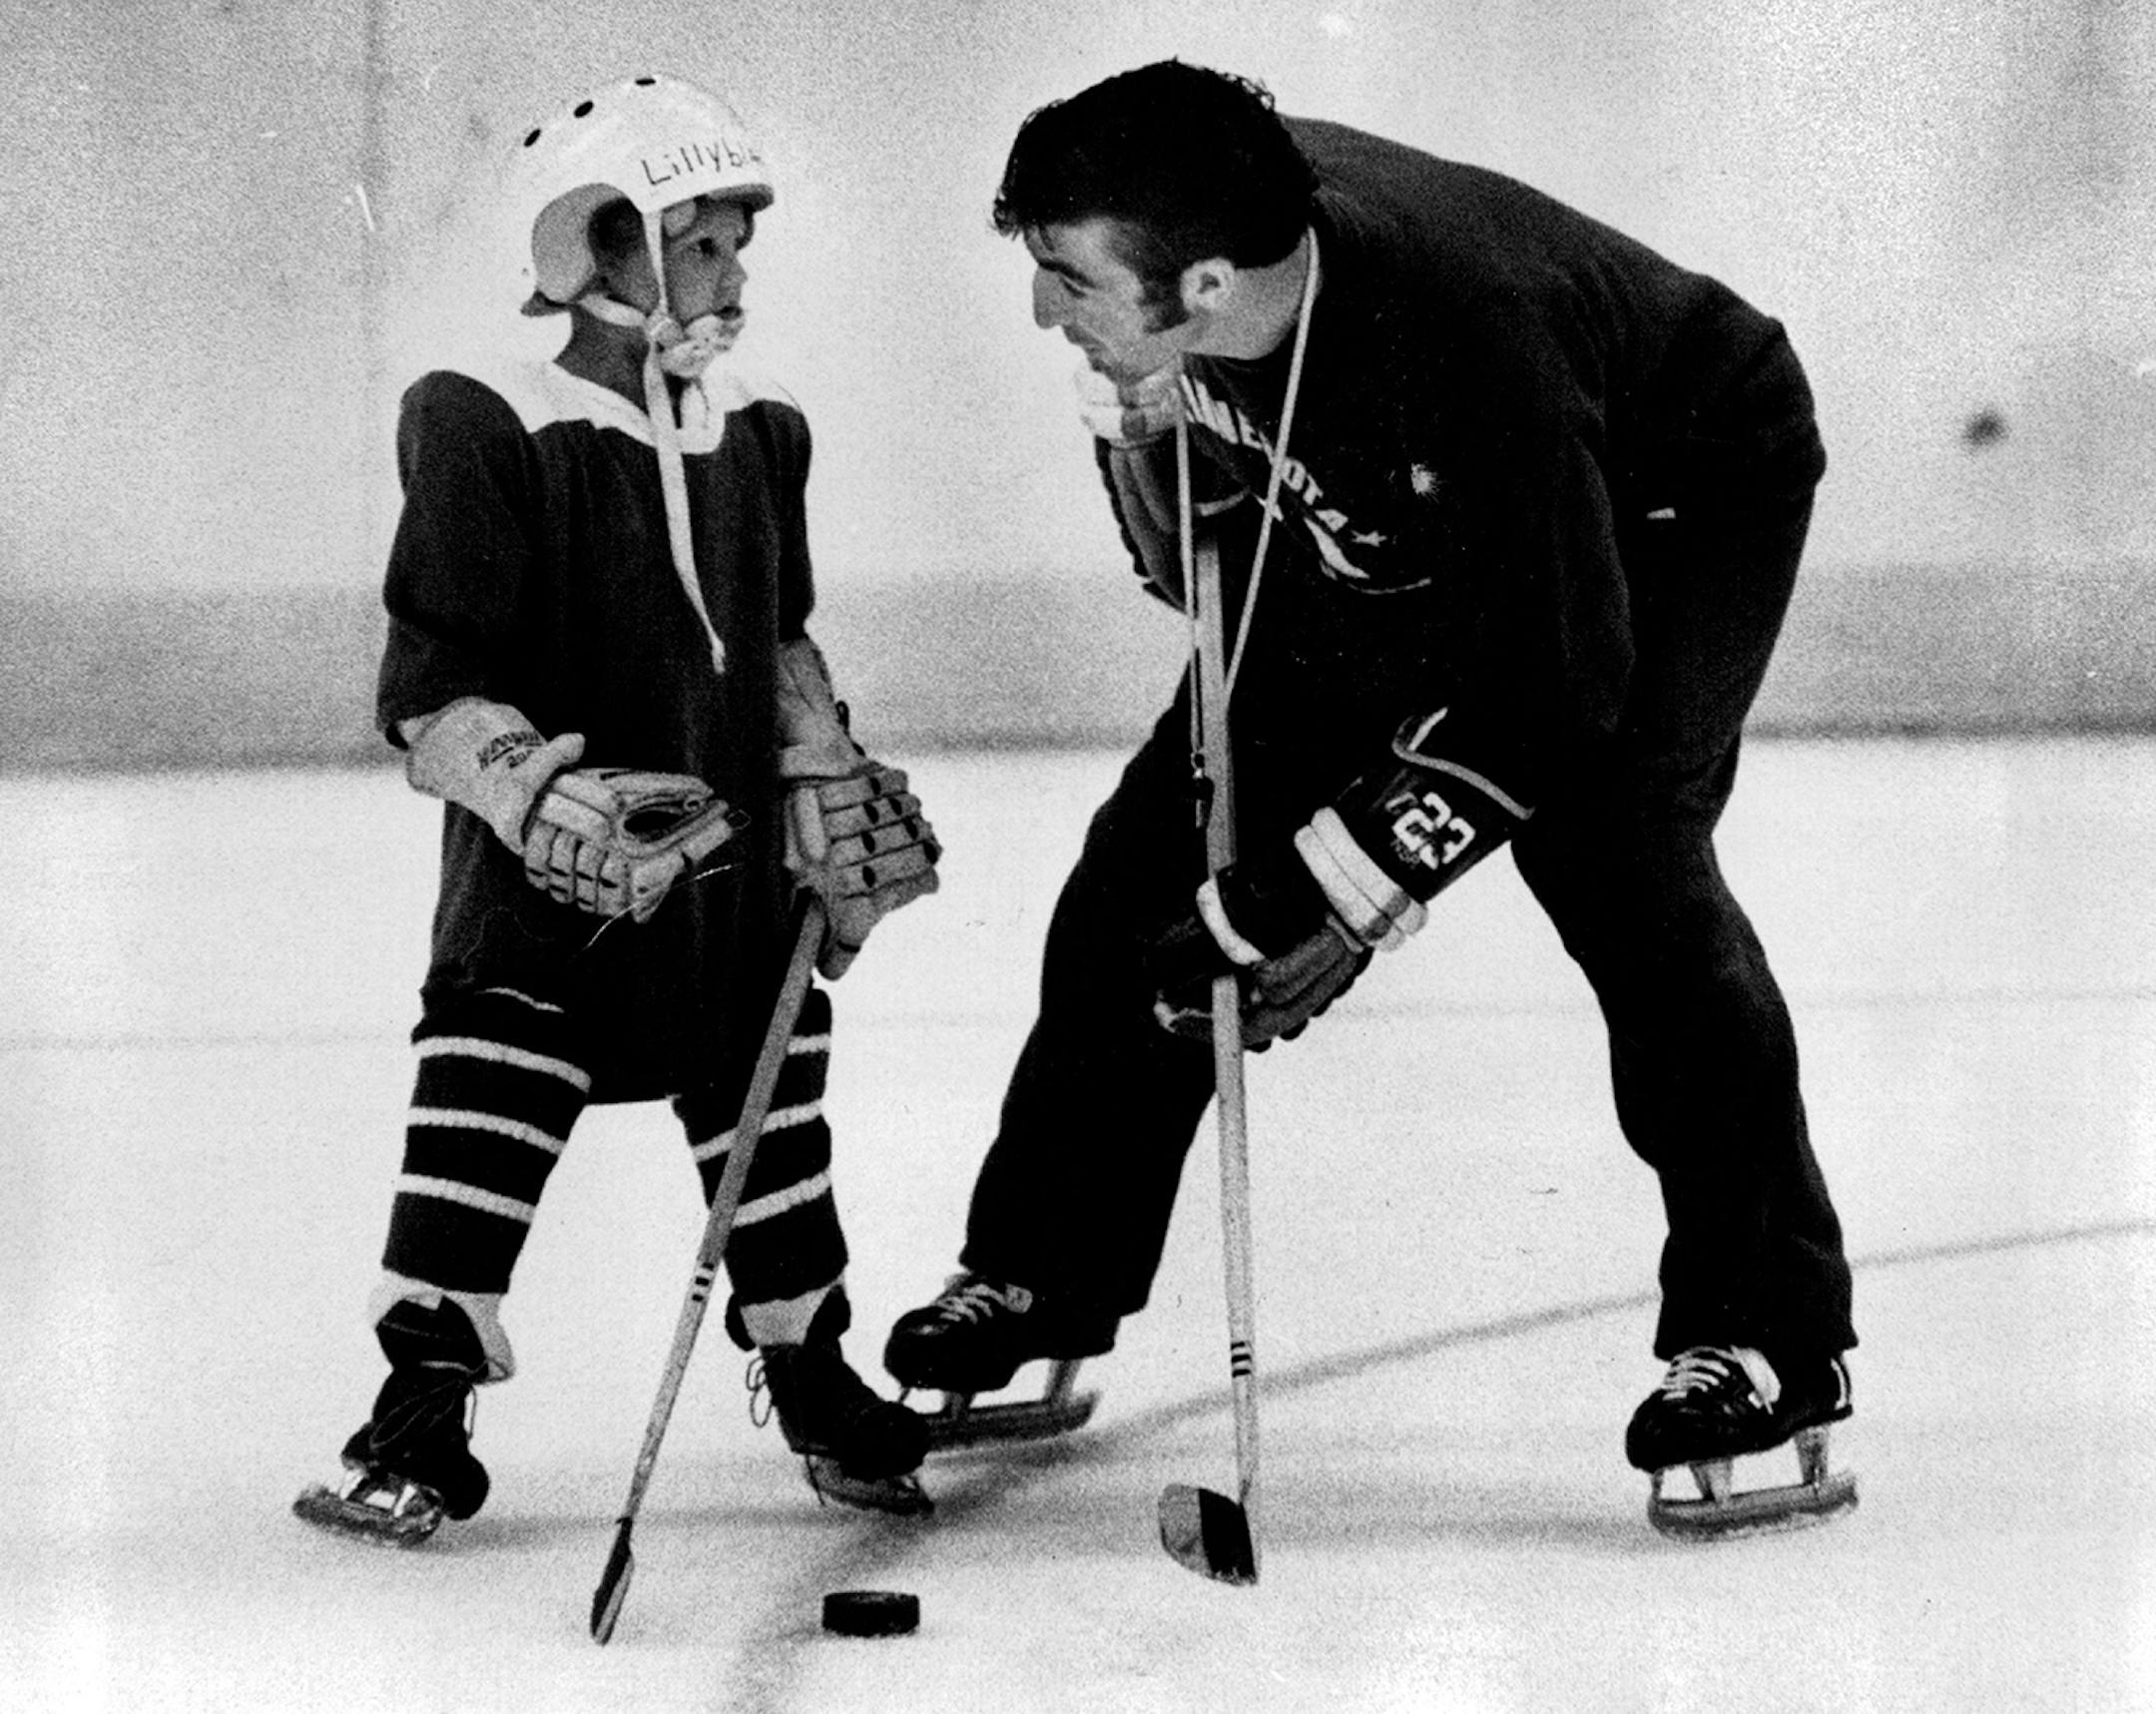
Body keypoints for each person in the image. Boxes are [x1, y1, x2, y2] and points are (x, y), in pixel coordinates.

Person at [883, 60, 1856, 1527]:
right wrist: (1138, 437)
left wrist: (1328, 892)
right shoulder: (1223, 241)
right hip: (1411, 510)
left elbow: (1558, 688)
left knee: (1620, 862)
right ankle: (1042, 1271)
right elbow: (1194, 576)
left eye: (1067, 281)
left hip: (1667, 495)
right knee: (1145, 865)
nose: (1040, 311)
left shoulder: (1476, 341)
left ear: (1207, 285)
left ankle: (1769, 1333)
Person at [293, 72, 941, 1545]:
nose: (732, 277)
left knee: (772, 1098)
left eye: (736, 245)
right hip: (547, 890)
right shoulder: (485, 421)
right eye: (699, 245)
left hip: (729, 882)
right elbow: (431, 686)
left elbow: (777, 639)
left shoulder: (759, 432)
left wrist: (825, 766)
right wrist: (534, 792)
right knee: (490, 1103)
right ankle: (417, 1406)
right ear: (592, 245)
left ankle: (812, 1370)